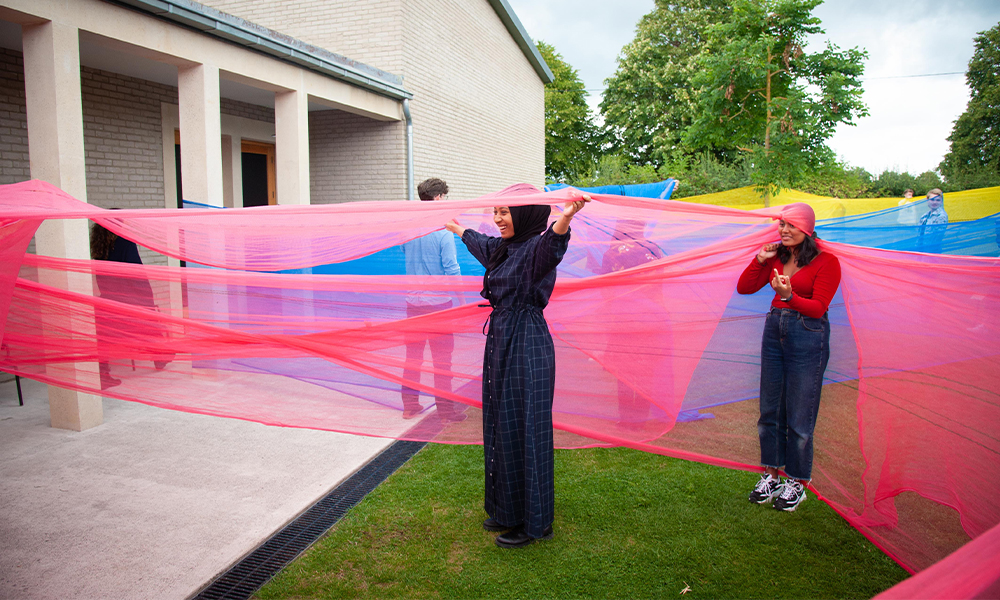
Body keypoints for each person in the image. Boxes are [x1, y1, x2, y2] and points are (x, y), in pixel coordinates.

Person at [445, 194, 590, 548]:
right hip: (499, 341)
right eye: (495, 212)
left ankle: (536, 523)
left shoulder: (537, 250)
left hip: (527, 345)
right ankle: (507, 510)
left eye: (504, 212)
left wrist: (567, 216)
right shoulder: (501, 250)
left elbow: (554, 243)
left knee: (527, 429)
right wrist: (451, 222)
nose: (497, 218)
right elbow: (476, 241)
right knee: (499, 422)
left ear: (524, 216)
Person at [736, 203, 841, 512]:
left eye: (790, 225)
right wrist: (760, 260)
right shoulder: (779, 257)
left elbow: (819, 307)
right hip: (774, 331)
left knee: (799, 412)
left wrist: (789, 297)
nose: (783, 230)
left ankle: (797, 480)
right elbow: (744, 287)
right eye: (781, 224)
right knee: (769, 409)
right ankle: (771, 473)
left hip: (807, 335)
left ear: (806, 229)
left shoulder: (827, 262)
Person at [400, 178, 464, 422]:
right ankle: (446, 410)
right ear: (438, 198)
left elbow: (405, 253)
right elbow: (452, 269)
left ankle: (409, 406)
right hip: (439, 305)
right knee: (442, 360)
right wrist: (461, 297)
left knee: (413, 357)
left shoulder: (409, 229)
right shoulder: (443, 232)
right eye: (445, 197)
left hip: (412, 304)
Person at [90, 220, 169, 389]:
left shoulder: (100, 246)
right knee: (149, 321)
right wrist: (147, 297)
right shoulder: (125, 241)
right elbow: (136, 271)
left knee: (104, 336)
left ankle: (103, 373)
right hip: (129, 296)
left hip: (109, 299)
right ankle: (159, 357)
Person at [917, 189, 948, 253]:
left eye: (938, 200)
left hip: (932, 251)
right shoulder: (924, 216)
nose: (934, 202)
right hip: (922, 249)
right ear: (927, 200)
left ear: (941, 202)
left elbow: (936, 237)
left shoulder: (941, 216)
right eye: (932, 200)